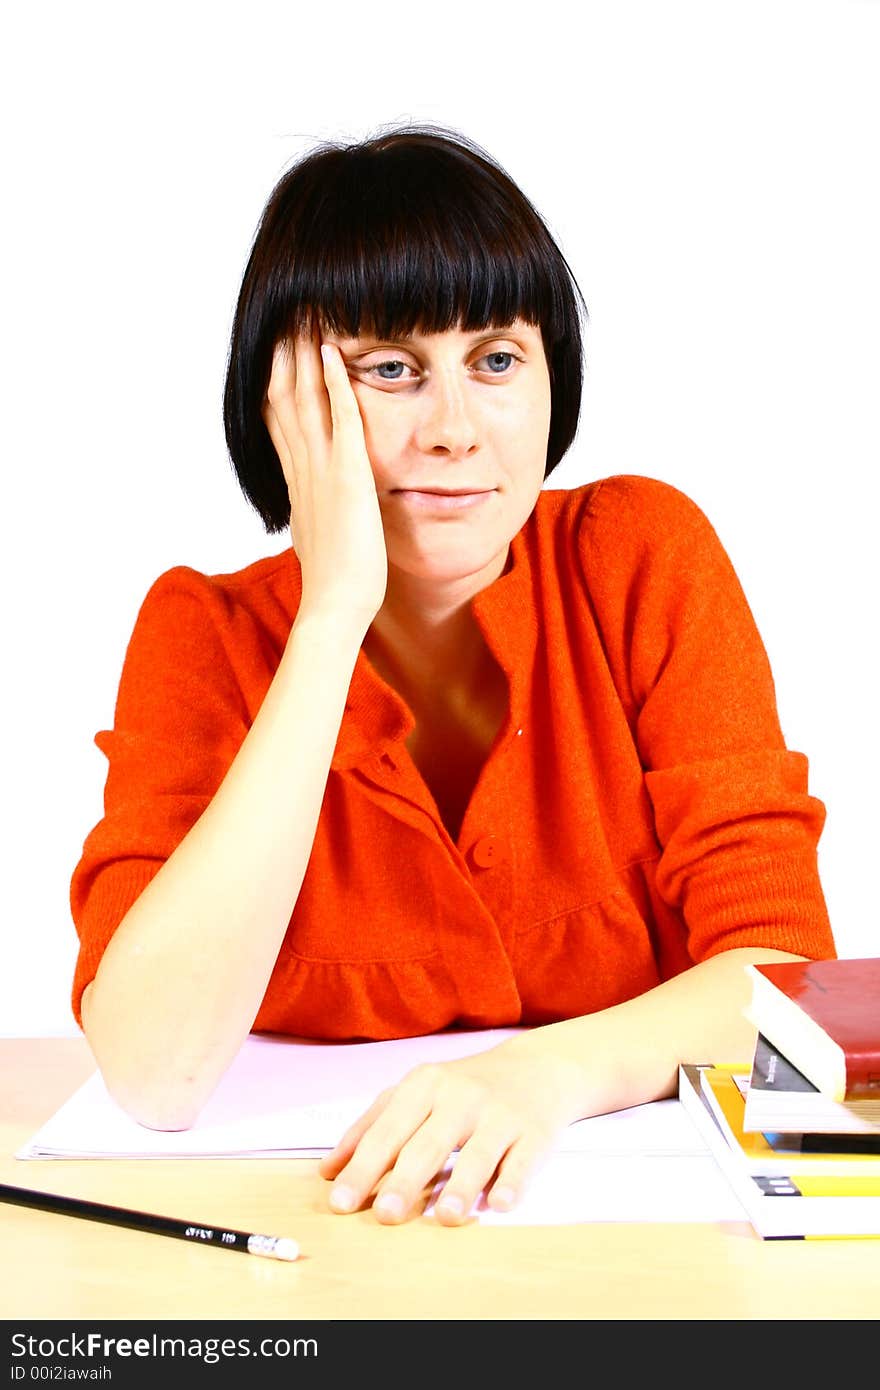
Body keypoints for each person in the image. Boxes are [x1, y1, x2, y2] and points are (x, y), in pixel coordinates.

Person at [70, 123, 835, 1227]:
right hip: (324, 1229)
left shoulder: (640, 556)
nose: (456, 430)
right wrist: (331, 616)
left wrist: (543, 1076)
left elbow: (780, 975)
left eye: (495, 360)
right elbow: (153, 1069)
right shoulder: (204, 632)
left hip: (638, 1231)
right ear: (288, 403)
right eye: (389, 370)